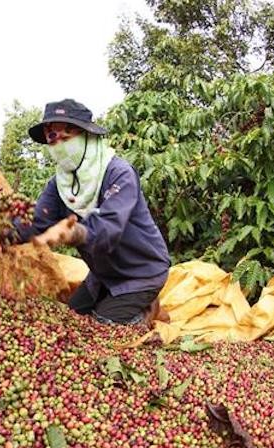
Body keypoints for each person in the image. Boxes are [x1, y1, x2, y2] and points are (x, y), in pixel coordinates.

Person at [13, 99, 171, 325]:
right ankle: (121, 303)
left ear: (88, 137)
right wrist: (1, 230)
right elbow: (37, 222)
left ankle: (147, 311)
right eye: (53, 140)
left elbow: (108, 229)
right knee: (71, 318)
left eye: (66, 139)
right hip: (104, 273)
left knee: (98, 329)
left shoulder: (118, 173)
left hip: (140, 272)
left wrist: (74, 233)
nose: (59, 146)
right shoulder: (60, 184)